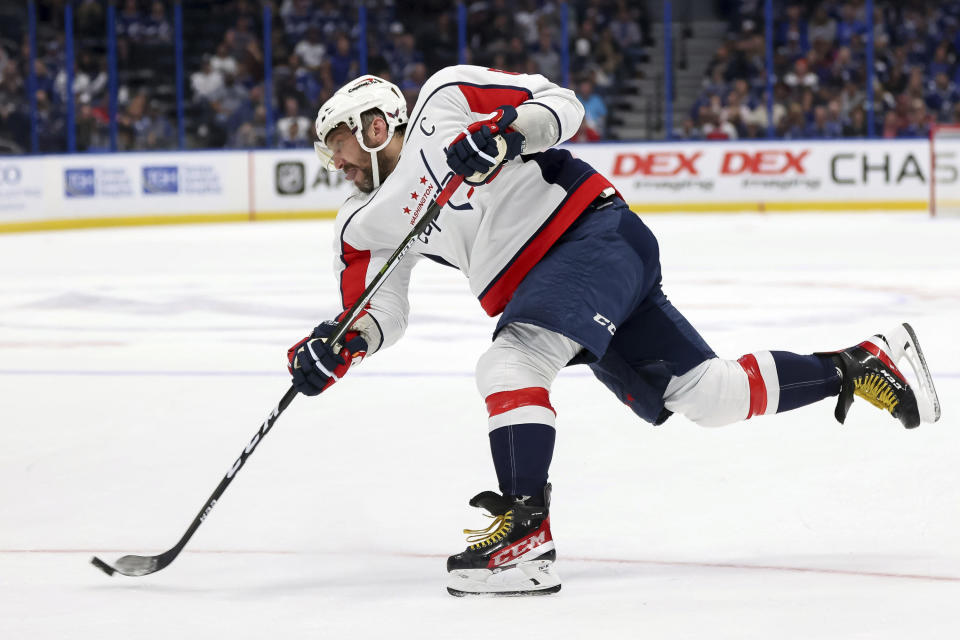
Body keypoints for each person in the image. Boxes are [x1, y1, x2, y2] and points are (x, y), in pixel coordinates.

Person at [287, 66, 941, 597]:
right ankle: (861, 364)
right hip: (568, 281)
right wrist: (339, 346)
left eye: (334, 143)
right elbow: (377, 313)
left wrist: (509, 130)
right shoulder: (362, 223)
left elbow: (560, 104)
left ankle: (525, 535)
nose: (331, 161)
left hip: (587, 235)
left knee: (511, 364)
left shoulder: (445, 99)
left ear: (373, 123)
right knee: (709, 397)